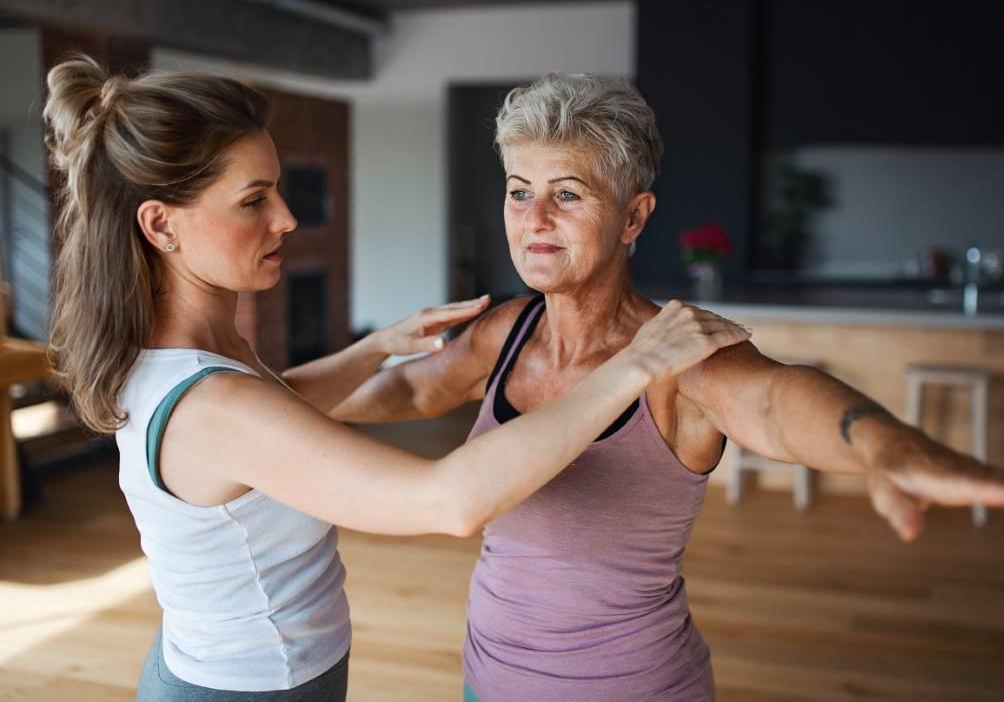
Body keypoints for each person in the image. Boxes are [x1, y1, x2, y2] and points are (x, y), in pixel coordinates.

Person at [332, 73, 1004, 702]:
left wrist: (884, 447)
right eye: (519, 192)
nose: (535, 220)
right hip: (486, 677)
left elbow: (778, 403)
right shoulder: (509, 330)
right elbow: (414, 392)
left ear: (634, 216)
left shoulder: (675, 355)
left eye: (568, 194)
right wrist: (270, 405)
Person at [42, 56, 750, 701]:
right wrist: (635, 363)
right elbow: (449, 501)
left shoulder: (196, 357)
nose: (287, 218)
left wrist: (374, 348)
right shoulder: (216, 400)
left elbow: (272, 416)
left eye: (278, 190)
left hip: (233, 669)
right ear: (162, 226)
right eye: (254, 200)